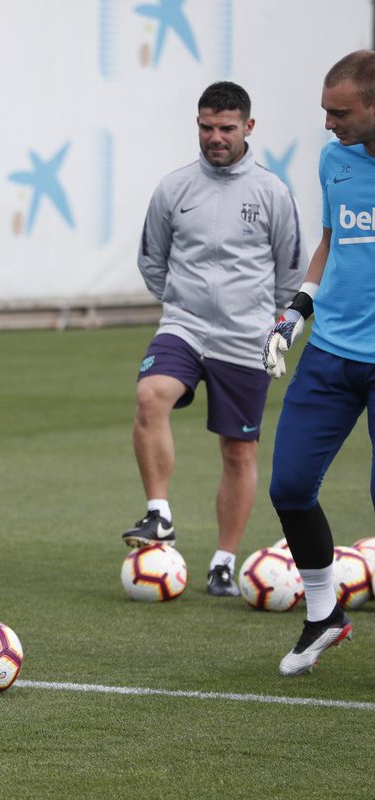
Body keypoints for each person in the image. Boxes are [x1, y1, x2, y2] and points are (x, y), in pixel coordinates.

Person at [123, 81, 302, 597]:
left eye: (226, 128)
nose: (215, 137)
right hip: (183, 326)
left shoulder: (272, 192)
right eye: (206, 127)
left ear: (249, 127)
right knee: (149, 394)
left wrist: (277, 330)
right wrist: (181, 303)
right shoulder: (173, 188)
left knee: (238, 452)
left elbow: (290, 275)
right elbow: (151, 260)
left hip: (246, 337)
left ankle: (224, 560)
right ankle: (159, 514)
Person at [263, 50, 375, 676]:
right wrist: (296, 312)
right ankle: (325, 614)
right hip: (331, 352)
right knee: (289, 485)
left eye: (341, 112)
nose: (329, 124)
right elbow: (333, 241)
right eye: (326, 112)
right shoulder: (334, 159)